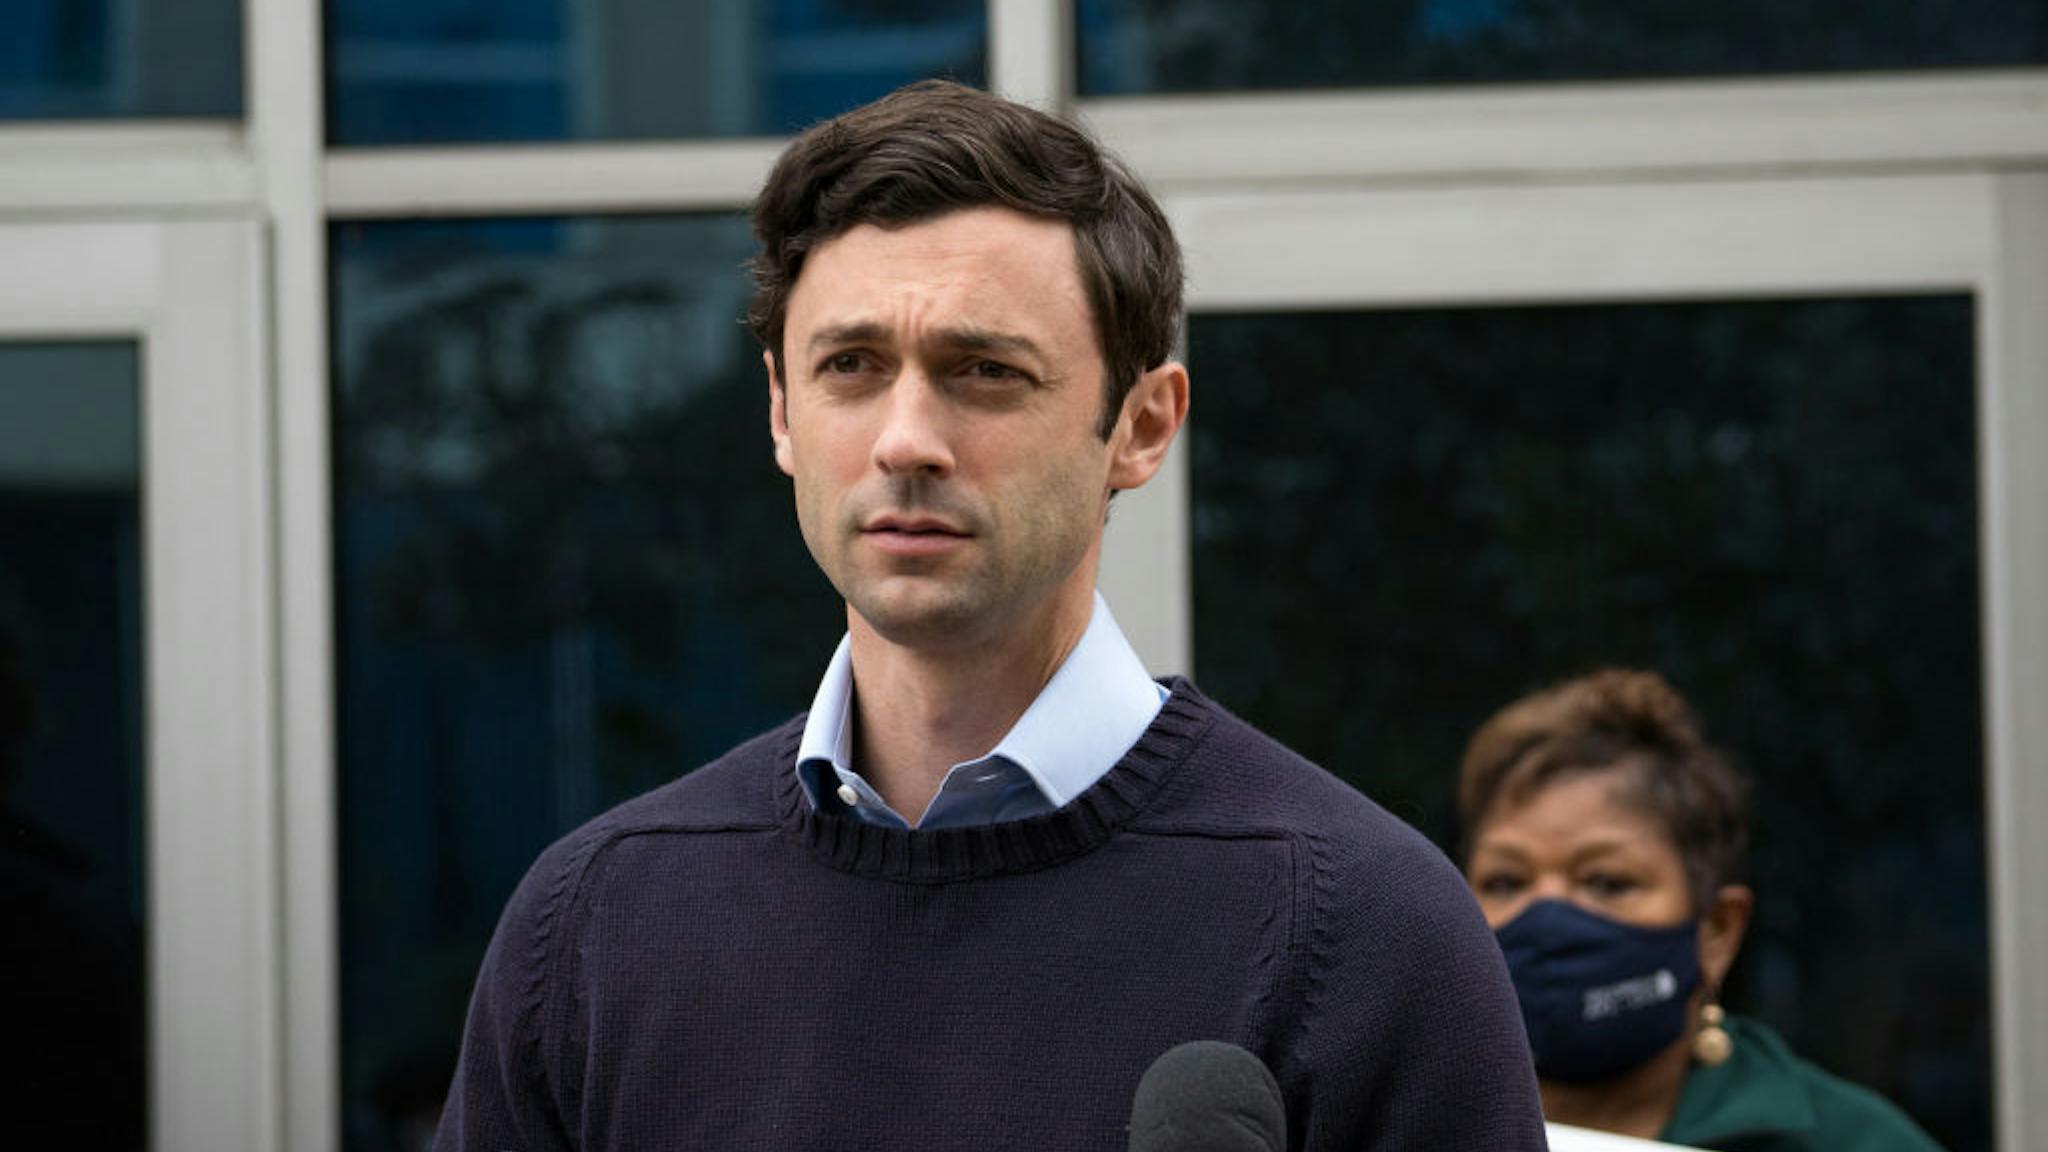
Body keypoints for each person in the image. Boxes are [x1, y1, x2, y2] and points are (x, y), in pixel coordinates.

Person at [433, 79, 1546, 1151]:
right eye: (852, 366)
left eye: (984, 372)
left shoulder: (1363, 929)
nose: (905, 437)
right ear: (780, 408)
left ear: (1143, 425)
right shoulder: (598, 918)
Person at [1458, 668, 1946, 1150]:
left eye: (1607, 882)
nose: (1547, 916)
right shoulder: (1399, 1115)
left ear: (1718, 930)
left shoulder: (1849, 1143)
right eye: (1505, 882)